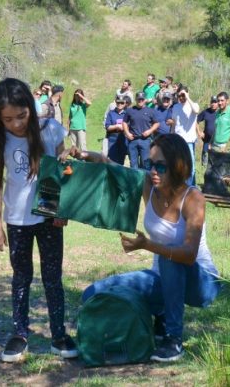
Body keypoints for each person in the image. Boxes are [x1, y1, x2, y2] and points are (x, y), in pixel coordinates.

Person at [63, 133, 220, 363]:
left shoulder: (193, 197)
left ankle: (173, 339)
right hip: (163, 278)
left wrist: (147, 245)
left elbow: (188, 255)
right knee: (93, 294)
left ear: (178, 165)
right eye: (150, 164)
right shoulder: (149, 184)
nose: (153, 171)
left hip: (203, 283)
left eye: (160, 166)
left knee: (169, 258)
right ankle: (158, 316)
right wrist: (82, 154)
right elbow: (110, 165)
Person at [0, 78, 77, 363]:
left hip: (50, 217)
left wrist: (62, 210)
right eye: (8, 118)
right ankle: (20, 334)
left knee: (52, 278)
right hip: (17, 220)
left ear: (31, 109)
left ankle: (58, 335)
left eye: (21, 116)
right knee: (21, 276)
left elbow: (65, 172)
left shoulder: (50, 130)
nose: (16, 124)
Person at [168, 86, 200, 185]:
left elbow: (196, 111)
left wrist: (187, 96)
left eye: (183, 95)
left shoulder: (193, 105)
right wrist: (171, 136)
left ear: (187, 94)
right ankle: (181, 186)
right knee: (178, 165)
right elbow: (174, 123)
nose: (181, 98)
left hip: (189, 141)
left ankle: (190, 187)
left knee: (191, 167)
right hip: (178, 139)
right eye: (179, 96)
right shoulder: (176, 107)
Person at [123, 92, 159, 169]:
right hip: (133, 140)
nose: (140, 101)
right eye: (139, 99)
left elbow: (156, 123)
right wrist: (127, 133)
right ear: (136, 99)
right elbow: (124, 122)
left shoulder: (151, 111)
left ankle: (144, 180)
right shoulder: (130, 110)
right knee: (133, 164)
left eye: (142, 99)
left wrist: (150, 131)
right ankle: (135, 180)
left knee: (145, 164)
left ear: (145, 100)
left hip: (145, 140)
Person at [105, 94, 128, 165]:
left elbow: (130, 127)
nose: (120, 104)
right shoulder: (111, 113)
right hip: (113, 138)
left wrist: (124, 127)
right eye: (118, 102)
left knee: (121, 161)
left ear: (125, 103)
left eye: (122, 103)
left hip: (123, 138)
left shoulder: (127, 113)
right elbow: (107, 127)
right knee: (112, 161)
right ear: (115, 102)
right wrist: (116, 126)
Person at [196, 96, 218, 166]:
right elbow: (196, 120)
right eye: (212, 102)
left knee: (215, 155)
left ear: (218, 103)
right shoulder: (206, 112)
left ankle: (213, 167)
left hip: (217, 139)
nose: (213, 104)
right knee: (205, 153)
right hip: (207, 139)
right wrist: (199, 132)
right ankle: (203, 168)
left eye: (215, 102)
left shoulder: (220, 113)